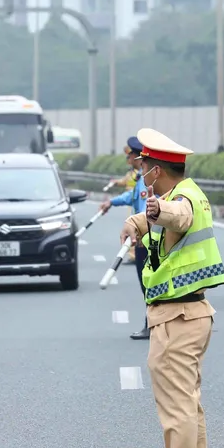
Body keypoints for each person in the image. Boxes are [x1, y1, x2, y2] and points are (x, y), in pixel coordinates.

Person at [120, 128, 224, 448]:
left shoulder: (179, 201)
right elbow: (168, 216)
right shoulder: (188, 192)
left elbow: (177, 217)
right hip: (191, 313)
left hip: (178, 317)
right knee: (189, 403)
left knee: (177, 404)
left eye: (145, 166)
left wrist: (155, 211)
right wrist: (138, 222)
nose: (141, 172)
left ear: (157, 171)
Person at [98, 136, 150, 339]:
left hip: (146, 240)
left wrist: (136, 227)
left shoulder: (145, 178)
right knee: (146, 285)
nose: (128, 158)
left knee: (149, 284)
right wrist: (112, 202)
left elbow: (146, 209)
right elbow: (132, 197)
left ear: (137, 157)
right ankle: (153, 324)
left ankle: (152, 325)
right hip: (142, 238)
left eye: (130, 155)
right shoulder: (140, 177)